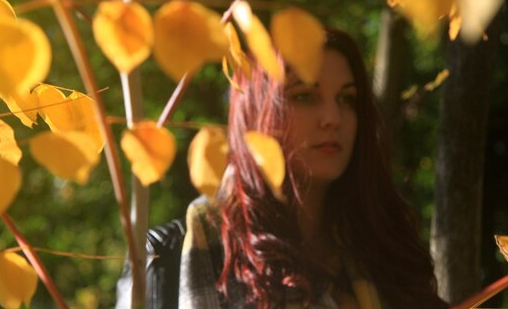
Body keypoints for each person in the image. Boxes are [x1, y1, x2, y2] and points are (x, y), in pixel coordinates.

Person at [178, 28, 448, 309]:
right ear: (258, 112)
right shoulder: (217, 229)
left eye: (347, 99)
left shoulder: (381, 236)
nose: (333, 118)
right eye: (305, 96)